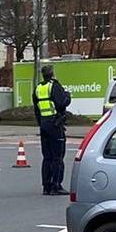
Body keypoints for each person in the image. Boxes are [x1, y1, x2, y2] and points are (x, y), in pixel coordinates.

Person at [34, 64, 71, 195]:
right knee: (58, 156)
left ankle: (46, 186)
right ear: (52, 73)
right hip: (55, 125)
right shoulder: (54, 86)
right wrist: (67, 95)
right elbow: (62, 103)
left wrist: (41, 123)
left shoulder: (38, 88)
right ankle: (56, 185)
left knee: (47, 157)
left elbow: (36, 109)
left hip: (44, 125)